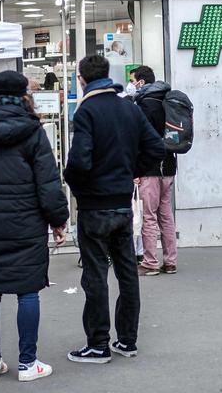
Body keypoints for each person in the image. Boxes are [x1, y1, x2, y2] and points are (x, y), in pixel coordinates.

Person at [0, 71, 69, 382]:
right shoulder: (34, 133)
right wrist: (58, 220)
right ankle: (27, 363)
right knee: (27, 292)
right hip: (27, 225)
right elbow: (48, 184)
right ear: (24, 97)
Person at [64, 54, 166, 364]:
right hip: (123, 203)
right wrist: (131, 171)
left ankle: (97, 344)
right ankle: (127, 340)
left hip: (95, 206)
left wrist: (76, 185)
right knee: (126, 274)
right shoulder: (129, 108)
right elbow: (157, 148)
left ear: (81, 79)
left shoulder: (87, 110)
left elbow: (80, 161)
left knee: (95, 276)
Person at [130, 66, 178, 276]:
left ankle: (150, 262)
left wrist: (136, 170)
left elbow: (138, 140)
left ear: (140, 82)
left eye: (133, 80)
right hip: (168, 167)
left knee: (148, 216)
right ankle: (170, 261)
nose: (131, 85)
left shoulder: (143, 105)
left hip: (149, 169)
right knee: (166, 216)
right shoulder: (168, 100)